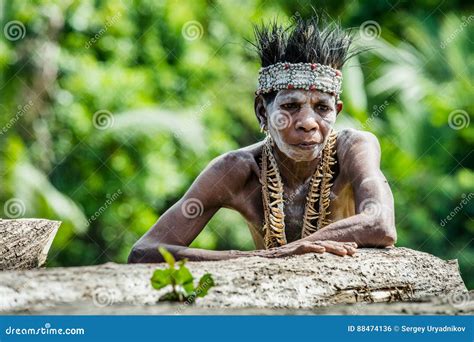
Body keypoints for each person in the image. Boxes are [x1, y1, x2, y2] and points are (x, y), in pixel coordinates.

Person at [128, 15, 396, 263]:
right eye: (290, 107)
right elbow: (143, 252)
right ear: (261, 112)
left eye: (322, 108)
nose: (307, 123)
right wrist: (261, 259)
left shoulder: (354, 147)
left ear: (336, 112)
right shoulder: (237, 169)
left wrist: (285, 252)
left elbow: (380, 223)